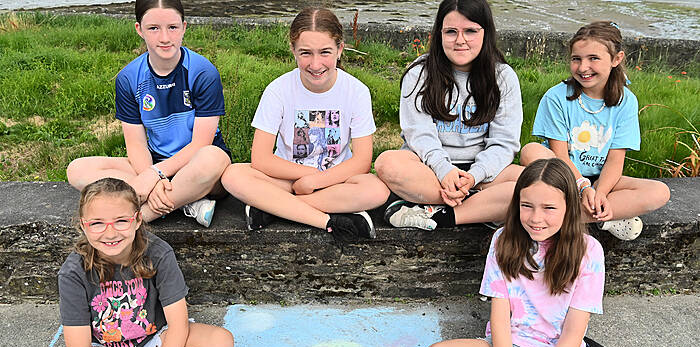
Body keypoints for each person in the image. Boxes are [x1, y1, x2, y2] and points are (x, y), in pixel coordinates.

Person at [424, 158, 632, 347]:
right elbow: (500, 316)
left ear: (569, 207)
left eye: (549, 208)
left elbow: (574, 332)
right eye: (527, 205)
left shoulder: (588, 251)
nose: (535, 218)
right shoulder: (503, 240)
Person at [32, 178, 234, 347]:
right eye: (97, 223)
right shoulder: (73, 272)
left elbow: (178, 325)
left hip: (156, 339)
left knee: (220, 341)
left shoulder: (159, 253)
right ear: (83, 224)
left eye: (121, 221)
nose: (110, 233)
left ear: (137, 220)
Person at [221, 7, 390, 241]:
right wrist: (305, 176)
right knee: (233, 175)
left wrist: (317, 180)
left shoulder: (357, 91)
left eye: (325, 52)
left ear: (340, 49)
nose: (315, 63)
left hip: (335, 181)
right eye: (306, 53)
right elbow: (261, 158)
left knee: (377, 190)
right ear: (293, 51)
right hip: (286, 179)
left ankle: (275, 208)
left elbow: (362, 161)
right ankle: (325, 219)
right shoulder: (278, 90)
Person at [66, 0, 231, 228]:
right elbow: (136, 145)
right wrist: (151, 176)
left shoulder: (203, 72)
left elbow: (200, 145)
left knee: (212, 159)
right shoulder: (128, 77)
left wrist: (155, 175)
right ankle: (185, 202)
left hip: (197, 164)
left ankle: (137, 219)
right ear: (139, 30)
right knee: (78, 170)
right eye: (153, 28)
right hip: (152, 163)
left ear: (184, 27)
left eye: (172, 27)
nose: (164, 37)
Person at [374, 0, 523, 231]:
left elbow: (504, 142)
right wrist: (445, 171)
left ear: (486, 32)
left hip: (483, 174)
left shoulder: (503, 77)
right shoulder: (419, 73)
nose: (460, 40)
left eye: (470, 31)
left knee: (531, 183)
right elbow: (419, 134)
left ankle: (434, 211)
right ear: (439, 34)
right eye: (451, 32)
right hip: (429, 169)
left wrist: (473, 176)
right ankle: (483, 208)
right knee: (387, 164)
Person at [520, 21, 669, 240]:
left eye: (593, 59)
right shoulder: (556, 97)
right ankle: (606, 216)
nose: (583, 67)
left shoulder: (626, 102)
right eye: (576, 59)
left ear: (616, 59)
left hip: (602, 179)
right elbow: (559, 156)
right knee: (531, 151)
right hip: (562, 177)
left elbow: (615, 161)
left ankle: (586, 214)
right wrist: (582, 188)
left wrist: (599, 193)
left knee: (660, 192)